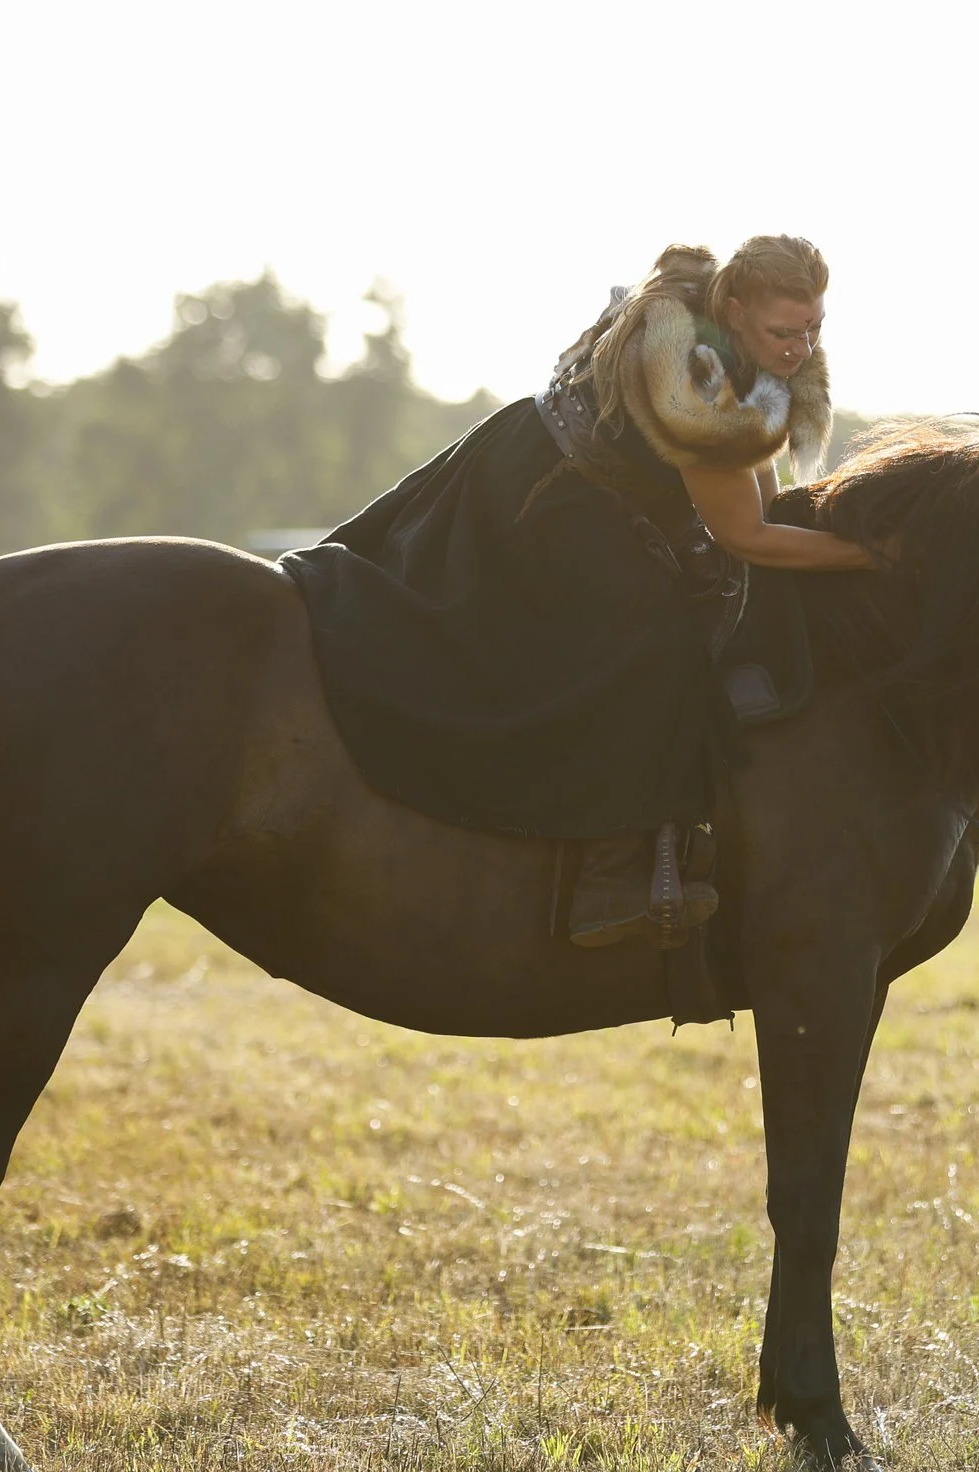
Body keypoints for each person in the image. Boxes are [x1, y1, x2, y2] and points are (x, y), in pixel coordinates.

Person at [296, 237, 878, 949]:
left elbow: (765, 492)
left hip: (607, 492)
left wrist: (843, 535)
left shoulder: (746, 356)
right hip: (545, 491)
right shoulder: (693, 380)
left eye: (813, 328)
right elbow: (747, 537)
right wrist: (873, 556)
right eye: (784, 332)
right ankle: (611, 872)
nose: (800, 347)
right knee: (651, 634)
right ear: (732, 308)